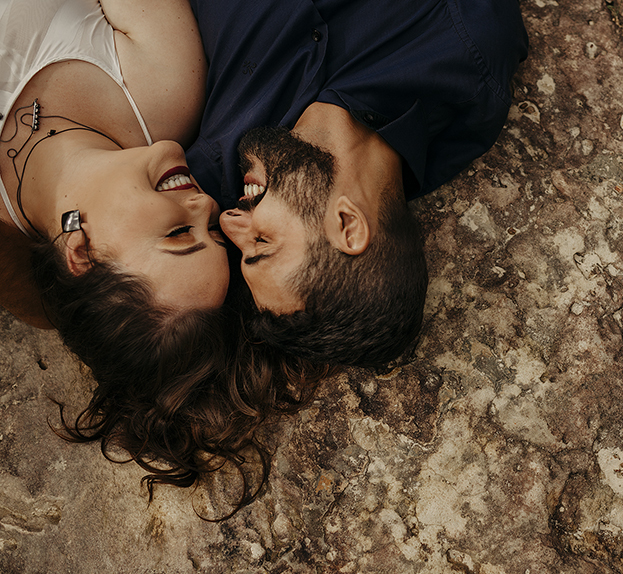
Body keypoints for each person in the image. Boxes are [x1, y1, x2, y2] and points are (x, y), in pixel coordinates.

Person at [0, 0, 298, 515]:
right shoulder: (163, 89)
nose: (206, 203)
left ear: (82, 253)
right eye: (212, 230)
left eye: (182, 232)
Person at [186, 0, 529, 369]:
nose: (228, 222)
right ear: (348, 223)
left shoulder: (212, 174)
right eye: (261, 242)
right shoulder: (466, 49)